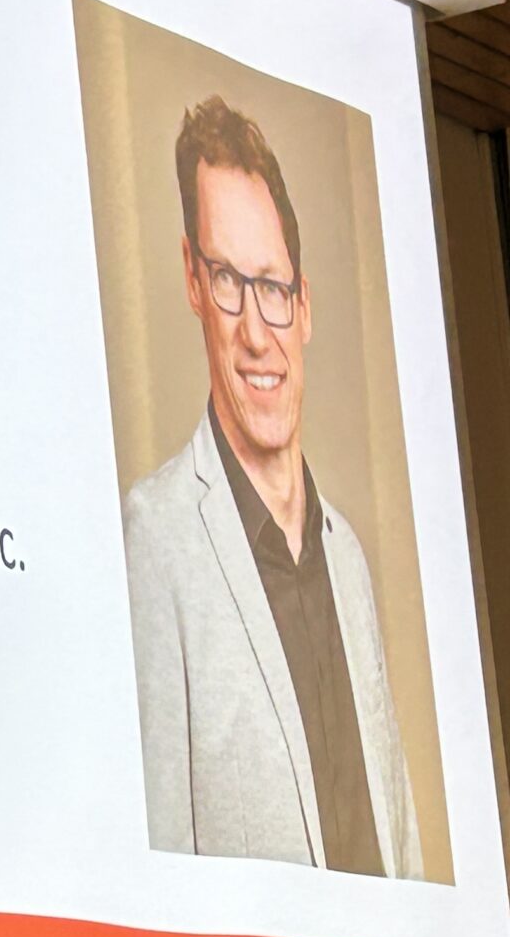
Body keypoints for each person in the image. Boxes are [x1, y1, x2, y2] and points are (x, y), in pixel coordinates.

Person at [122, 97, 421, 877]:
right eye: (228, 279)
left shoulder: (347, 559)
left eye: (273, 287)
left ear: (305, 306)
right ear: (192, 279)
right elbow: (159, 872)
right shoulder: (154, 540)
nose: (256, 332)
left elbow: (404, 852)